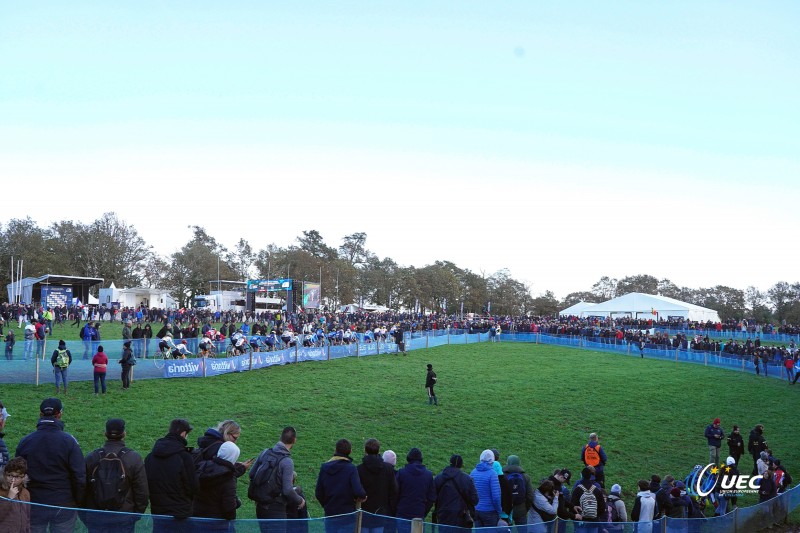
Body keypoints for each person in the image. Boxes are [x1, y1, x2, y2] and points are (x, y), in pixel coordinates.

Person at [15, 397, 86, 533]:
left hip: (34, 502)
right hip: (63, 504)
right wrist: (78, 502)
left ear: (41, 415)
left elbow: (15, 474)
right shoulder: (69, 441)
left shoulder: (26, 441)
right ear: (59, 414)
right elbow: (80, 476)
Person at [83, 419, 149, 533]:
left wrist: (86, 515)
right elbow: (142, 492)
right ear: (124, 434)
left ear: (105, 433)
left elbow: (82, 488)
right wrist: (135, 515)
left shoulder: (91, 457)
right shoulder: (134, 458)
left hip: (97, 517)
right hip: (123, 517)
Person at [144, 418, 198, 533]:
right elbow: (193, 486)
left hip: (158, 512)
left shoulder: (150, 457)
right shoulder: (184, 457)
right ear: (183, 433)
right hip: (180, 514)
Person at [249, 426, 305, 528]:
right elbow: (287, 490)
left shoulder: (265, 452)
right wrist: (300, 500)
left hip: (260, 505)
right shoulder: (287, 462)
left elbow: (251, 474)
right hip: (276, 509)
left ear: (281, 437)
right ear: (294, 440)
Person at [315, 438, 367, 533]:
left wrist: (327, 505)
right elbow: (358, 491)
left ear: (335, 450)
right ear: (350, 451)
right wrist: (363, 495)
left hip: (330, 514)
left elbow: (318, 493)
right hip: (347, 516)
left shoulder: (324, 468)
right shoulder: (351, 469)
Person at [193, 441, 242, 524]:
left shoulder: (203, 466)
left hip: (196, 517)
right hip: (217, 522)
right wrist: (236, 504)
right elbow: (228, 508)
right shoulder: (228, 477)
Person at [357, 438, 399, 530]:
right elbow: (394, 491)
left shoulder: (359, 469)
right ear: (379, 450)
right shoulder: (388, 469)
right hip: (380, 513)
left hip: (364, 514)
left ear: (365, 450)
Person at [433, 454, 478, 528]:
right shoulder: (467, 479)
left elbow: (433, 497)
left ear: (450, 463)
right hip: (462, 518)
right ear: (461, 465)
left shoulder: (438, 478)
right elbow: (475, 500)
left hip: (443, 516)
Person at [395, 447, 436, 522]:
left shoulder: (401, 473)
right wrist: (424, 511)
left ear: (408, 458)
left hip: (403, 513)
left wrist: (398, 508)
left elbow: (395, 493)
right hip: (419, 513)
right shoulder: (429, 475)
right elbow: (431, 497)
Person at [470, 449, 502, 527]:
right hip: (490, 511)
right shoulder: (492, 474)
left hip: (476, 510)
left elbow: (470, 493)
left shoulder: (473, 472)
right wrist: (499, 510)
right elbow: (496, 497)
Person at [0, 456, 31, 533]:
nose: (13, 480)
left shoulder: (25, 493)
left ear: (23, 477)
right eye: (10, 475)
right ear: (4, 474)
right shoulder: (1, 492)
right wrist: (9, 499)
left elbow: (27, 517)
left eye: (17, 477)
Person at [503, 454, 534, 526]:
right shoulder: (525, 477)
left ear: (508, 462)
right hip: (521, 510)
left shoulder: (502, 476)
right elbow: (530, 495)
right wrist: (526, 508)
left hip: (506, 510)